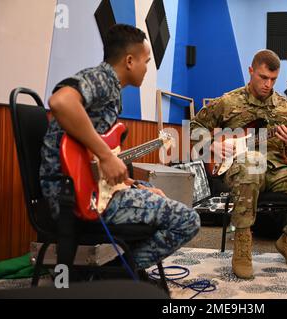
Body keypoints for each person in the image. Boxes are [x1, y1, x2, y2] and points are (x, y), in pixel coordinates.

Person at [40, 24, 200, 270]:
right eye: (146, 61)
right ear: (129, 61)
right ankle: (121, 273)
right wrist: (106, 156)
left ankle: (117, 271)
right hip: (70, 197)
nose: (147, 68)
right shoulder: (102, 78)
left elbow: (93, 159)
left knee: (148, 187)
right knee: (188, 220)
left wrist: (133, 185)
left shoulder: (113, 90)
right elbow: (60, 101)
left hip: (87, 186)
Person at [190, 49, 287, 278]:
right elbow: (193, 125)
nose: (268, 84)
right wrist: (211, 144)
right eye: (263, 77)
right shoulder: (228, 101)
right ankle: (242, 246)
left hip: (277, 171)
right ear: (251, 71)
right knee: (253, 161)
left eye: (273, 79)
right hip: (240, 170)